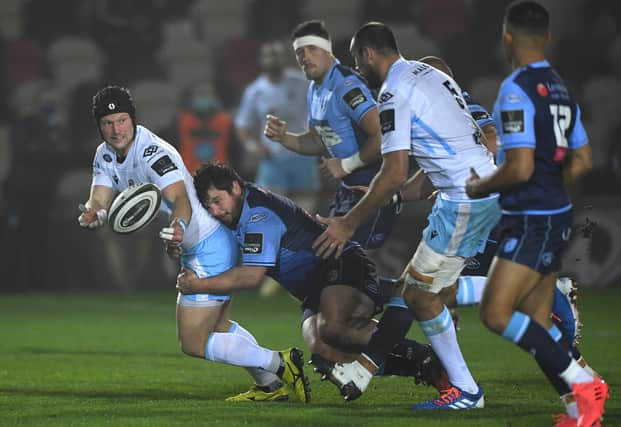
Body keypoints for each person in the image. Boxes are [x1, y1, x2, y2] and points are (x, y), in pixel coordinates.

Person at [77, 85, 310, 403]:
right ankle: (271, 385)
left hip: (208, 243)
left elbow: (179, 199)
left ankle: (279, 362)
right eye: (108, 123)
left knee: (193, 341)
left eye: (121, 120)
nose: (116, 129)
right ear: (99, 126)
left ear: (132, 119)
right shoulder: (104, 154)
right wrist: (95, 212)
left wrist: (179, 228)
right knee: (220, 325)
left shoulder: (153, 152)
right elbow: (101, 194)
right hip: (199, 244)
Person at [315, 22, 502, 410]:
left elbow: (395, 170)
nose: (357, 69)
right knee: (430, 293)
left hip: (463, 201)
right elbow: (415, 177)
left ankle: (467, 390)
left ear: (368, 54)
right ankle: (465, 386)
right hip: (474, 191)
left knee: (419, 296)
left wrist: (349, 222)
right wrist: (391, 194)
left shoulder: (394, 91)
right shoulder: (428, 73)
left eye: (356, 59)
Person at [176, 162, 447, 401]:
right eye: (208, 204)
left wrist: (199, 285)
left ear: (235, 187)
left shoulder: (257, 214)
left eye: (217, 200)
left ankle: (424, 349)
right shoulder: (242, 208)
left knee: (336, 328)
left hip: (339, 263)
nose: (214, 210)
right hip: (317, 285)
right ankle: (418, 360)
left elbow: (251, 275)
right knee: (325, 354)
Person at [465, 2, 608, 426]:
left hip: (530, 219)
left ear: (507, 37)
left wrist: (480, 186)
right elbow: (582, 159)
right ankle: (581, 412)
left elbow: (520, 167)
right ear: (547, 37)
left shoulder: (515, 89)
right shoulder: (561, 87)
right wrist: (550, 191)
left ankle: (584, 382)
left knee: (496, 313)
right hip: (555, 214)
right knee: (536, 320)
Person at [264, 20, 400, 267]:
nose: (305, 57)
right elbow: (317, 139)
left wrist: (346, 165)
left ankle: (418, 299)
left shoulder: (346, 86)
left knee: (346, 275)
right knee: (334, 272)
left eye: (311, 49)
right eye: (299, 53)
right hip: (350, 191)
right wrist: (284, 137)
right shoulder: (315, 90)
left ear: (328, 51)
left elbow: (383, 136)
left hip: (371, 190)